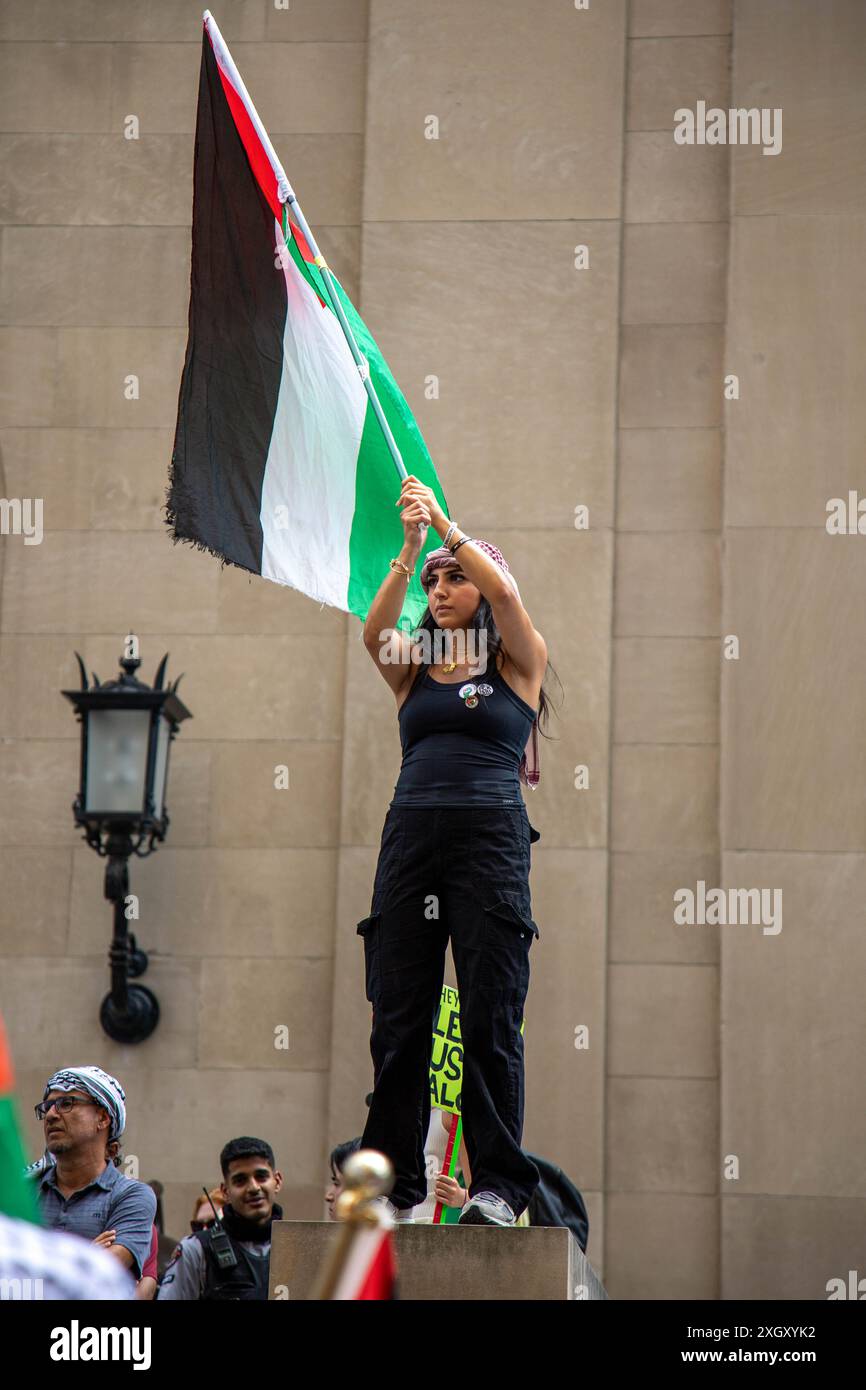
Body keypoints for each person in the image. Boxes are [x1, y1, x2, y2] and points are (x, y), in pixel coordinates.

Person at [357, 475, 561, 1226]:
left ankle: (499, 1189)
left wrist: (443, 523)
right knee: (399, 1019)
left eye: (454, 577)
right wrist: (409, 551)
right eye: (435, 582)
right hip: (411, 840)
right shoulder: (413, 671)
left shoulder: (517, 664)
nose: (442, 590)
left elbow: (507, 599)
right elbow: (374, 635)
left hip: (489, 845)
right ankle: (396, 1188)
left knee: (488, 1018)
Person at [31, 1065, 156, 1279]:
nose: (51, 1115)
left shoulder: (131, 1196)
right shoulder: (26, 1189)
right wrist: (88, 1256)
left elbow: (102, 1276)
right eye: (48, 1106)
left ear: (103, 1118)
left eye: (66, 1103)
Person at [157, 1138, 282, 1300]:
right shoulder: (196, 1250)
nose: (253, 1187)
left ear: (277, 1182)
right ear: (225, 1191)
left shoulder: (300, 1248)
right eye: (240, 1180)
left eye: (261, 1176)